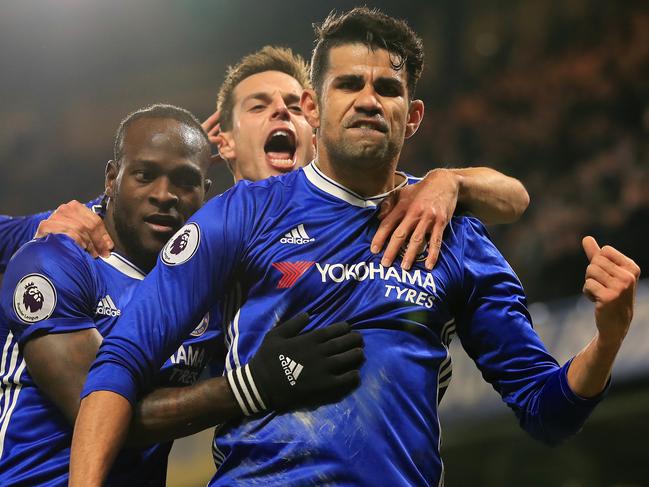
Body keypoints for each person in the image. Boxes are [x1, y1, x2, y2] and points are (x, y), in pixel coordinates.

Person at [69, 8, 641, 487]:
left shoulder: (458, 236)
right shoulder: (246, 212)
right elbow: (119, 361)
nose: (368, 100)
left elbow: (547, 410)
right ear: (314, 108)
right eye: (348, 84)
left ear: (412, 117)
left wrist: (609, 336)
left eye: (387, 88)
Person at [0, 104, 364, 485]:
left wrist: (432, 184)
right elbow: (99, 407)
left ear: (206, 193)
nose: (164, 195)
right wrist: (250, 387)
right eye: (144, 175)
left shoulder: (204, 287)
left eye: (185, 181)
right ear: (111, 179)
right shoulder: (54, 261)